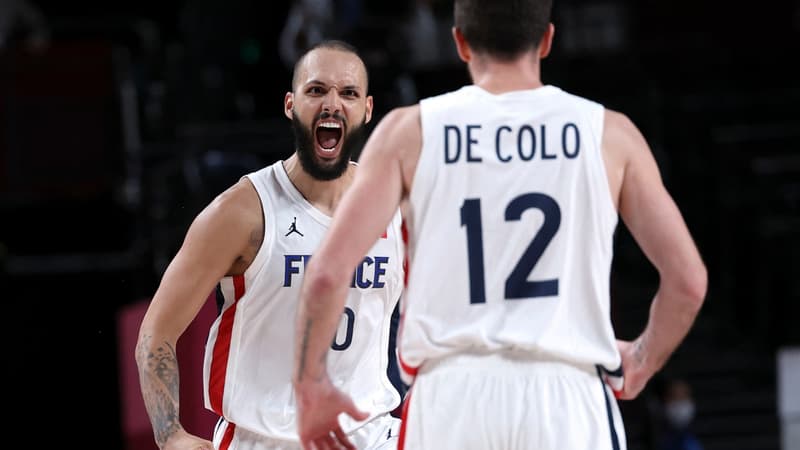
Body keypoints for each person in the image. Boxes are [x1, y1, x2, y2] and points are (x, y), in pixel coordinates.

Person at [291, 0, 708, 449]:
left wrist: (310, 385)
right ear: (547, 39)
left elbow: (328, 274)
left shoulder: (409, 132)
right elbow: (687, 283)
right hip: (568, 396)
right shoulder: (609, 133)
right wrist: (642, 360)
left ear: (460, 43)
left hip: (450, 395)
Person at [135, 40, 404, 450]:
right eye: (317, 90)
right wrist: (170, 434)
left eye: (348, 93)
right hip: (266, 439)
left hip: (372, 436)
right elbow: (155, 334)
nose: (332, 103)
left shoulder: (396, 204)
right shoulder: (242, 212)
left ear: (366, 110)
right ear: (290, 105)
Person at [655, 378, 704, 450]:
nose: (680, 402)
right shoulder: (658, 438)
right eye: (675, 397)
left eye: (684, 396)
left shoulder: (690, 442)